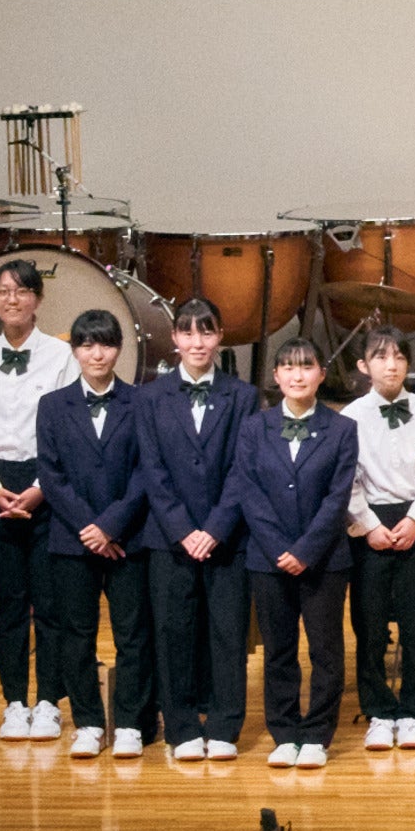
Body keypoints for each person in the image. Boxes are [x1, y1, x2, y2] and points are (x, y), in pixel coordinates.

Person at [225, 331, 359, 764]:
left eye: (306, 366)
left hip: (325, 559)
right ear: (276, 375)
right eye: (288, 367)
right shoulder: (253, 427)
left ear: (322, 374)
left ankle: (317, 735)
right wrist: (280, 548)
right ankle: (284, 733)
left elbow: (338, 498)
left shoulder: (342, 428)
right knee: (278, 651)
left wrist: (305, 550)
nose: (297, 375)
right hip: (268, 560)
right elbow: (249, 492)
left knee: (326, 651)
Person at [133, 297, 257, 762]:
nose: (197, 341)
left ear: (220, 335)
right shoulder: (150, 397)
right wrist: (184, 529)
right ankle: (181, 727)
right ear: (174, 339)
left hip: (227, 538)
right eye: (187, 332)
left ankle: (225, 726)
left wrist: (216, 528)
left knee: (228, 634)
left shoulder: (243, 396)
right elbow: (152, 469)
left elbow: (244, 470)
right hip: (169, 538)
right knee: (172, 633)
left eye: (206, 331)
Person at [0, 258, 69, 736]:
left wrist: (41, 489)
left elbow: (65, 429)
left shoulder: (61, 355)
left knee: (49, 603)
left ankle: (48, 702)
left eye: (22, 290)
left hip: (47, 485)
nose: (12, 299)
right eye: (3, 291)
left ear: (37, 299)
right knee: (9, 603)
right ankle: (15, 701)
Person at [31, 308, 150, 756]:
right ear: (75, 350)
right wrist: (90, 528)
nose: (96, 354)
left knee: (132, 635)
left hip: (128, 537)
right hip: (72, 539)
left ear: (118, 349)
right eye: (86, 344)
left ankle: (130, 724)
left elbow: (147, 472)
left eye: (105, 344)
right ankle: (88, 722)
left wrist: (112, 526)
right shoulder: (52, 405)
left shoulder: (141, 402)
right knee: (74, 634)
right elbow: (51, 475)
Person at [340, 324, 415, 749]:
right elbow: (347, 480)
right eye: (381, 357)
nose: (392, 365)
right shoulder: (350, 416)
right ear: (363, 365)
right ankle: (378, 711)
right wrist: (369, 525)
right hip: (370, 525)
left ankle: (413, 710)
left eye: (399, 357)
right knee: (369, 625)